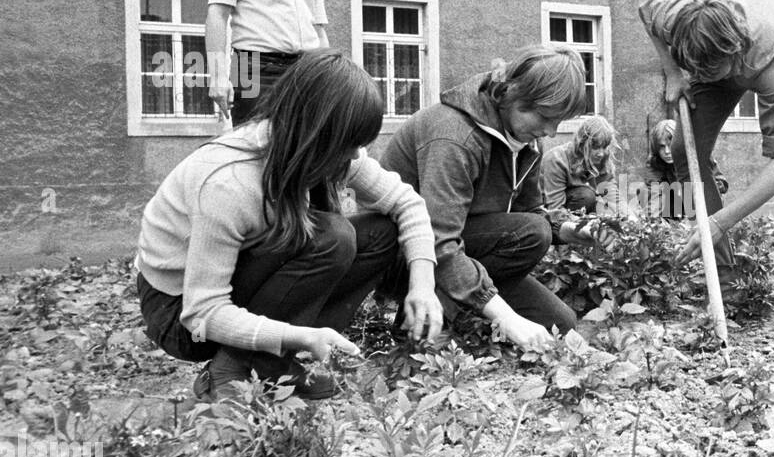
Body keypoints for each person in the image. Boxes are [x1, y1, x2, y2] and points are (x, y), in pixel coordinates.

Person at [136, 50, 442, 403]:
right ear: (317, 134)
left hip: (237, 284)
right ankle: (231, 371)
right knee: (333, 238)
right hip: (179, 314)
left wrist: (423, 285)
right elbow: (202, 313)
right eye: (350, 145)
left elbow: (408, 203)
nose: (356, 157)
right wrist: (298, 336)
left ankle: (283, 359)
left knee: (380, 234)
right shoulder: (229, 183)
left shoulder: (324, 152)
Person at [380, 45, 601, 351]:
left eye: (560, 122)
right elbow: (439, 240)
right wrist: (507, 318)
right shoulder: (454, 136)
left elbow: (531, 212)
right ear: (512, 96)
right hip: (406, 258)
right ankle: (419, 320)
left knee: (560, 322)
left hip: (465, 249)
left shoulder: (524, 139)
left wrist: (571, 231)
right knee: (531, 235)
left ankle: (461, 310)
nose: (551, 132)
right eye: (546, 117)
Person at [639, 0, 774, 323]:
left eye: (709, 71)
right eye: (698, 69)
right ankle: (724, 276)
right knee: (681, 150)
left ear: (735, 56)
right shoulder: (674, 18)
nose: (701, 76)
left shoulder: (772, 62)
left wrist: (721, 221)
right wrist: (674, 73)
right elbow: (645, 4)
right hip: (714, 47)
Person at [541, 114, 618, 213]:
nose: (601, 153)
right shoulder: (556, 160)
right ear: (582, 144)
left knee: (606, 207)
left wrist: (629, 218)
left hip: (578, 208)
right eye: (595, 147)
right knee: (586, 196)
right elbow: (555, 207)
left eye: (604, 147)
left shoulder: (601, 158)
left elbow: (611, 196)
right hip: (548, 211)